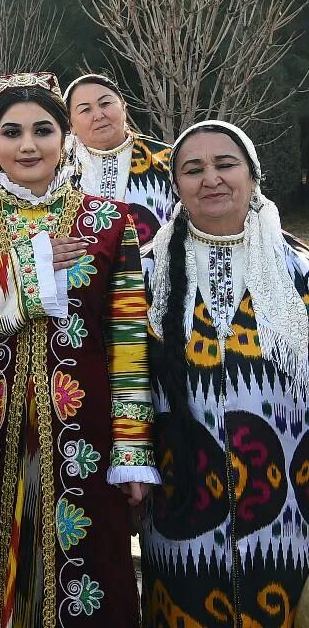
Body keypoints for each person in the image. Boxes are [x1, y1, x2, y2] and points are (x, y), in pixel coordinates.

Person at [0, 72, 157, 626]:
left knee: (88, 576)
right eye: (10, 131)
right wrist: (20, 273)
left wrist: (133, 448)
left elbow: (127, 338)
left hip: (84, 432)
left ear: (64, 139)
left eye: (42, 130)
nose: (27, 145)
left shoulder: (108, 222)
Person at [141, 120, 309, 627]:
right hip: (181, 510)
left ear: (254, 178)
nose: (210, 178)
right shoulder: (145, 274)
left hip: (288, 518)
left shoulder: (298, 270)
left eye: (225, 164)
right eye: (193, 169)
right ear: (178, 188)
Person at [65, 73, 175, 244]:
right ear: (70, 125)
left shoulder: (167, 158)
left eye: (105, 103)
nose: (99, 115)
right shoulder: (58, 172)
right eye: (85, 109)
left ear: (124, 107)